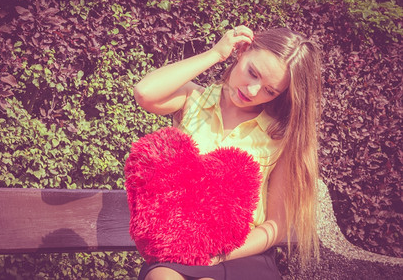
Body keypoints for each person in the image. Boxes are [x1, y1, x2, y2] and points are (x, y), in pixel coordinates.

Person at [133, 25, 322, 280]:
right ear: (243, 51)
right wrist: (215, 54)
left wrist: (220, 256)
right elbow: (145, 92)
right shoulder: (193, 100)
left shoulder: (279, 136)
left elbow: (275, 226)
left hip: (244, 255)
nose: (253, 91)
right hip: (179, 248)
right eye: (252, 73)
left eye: (270, 90)